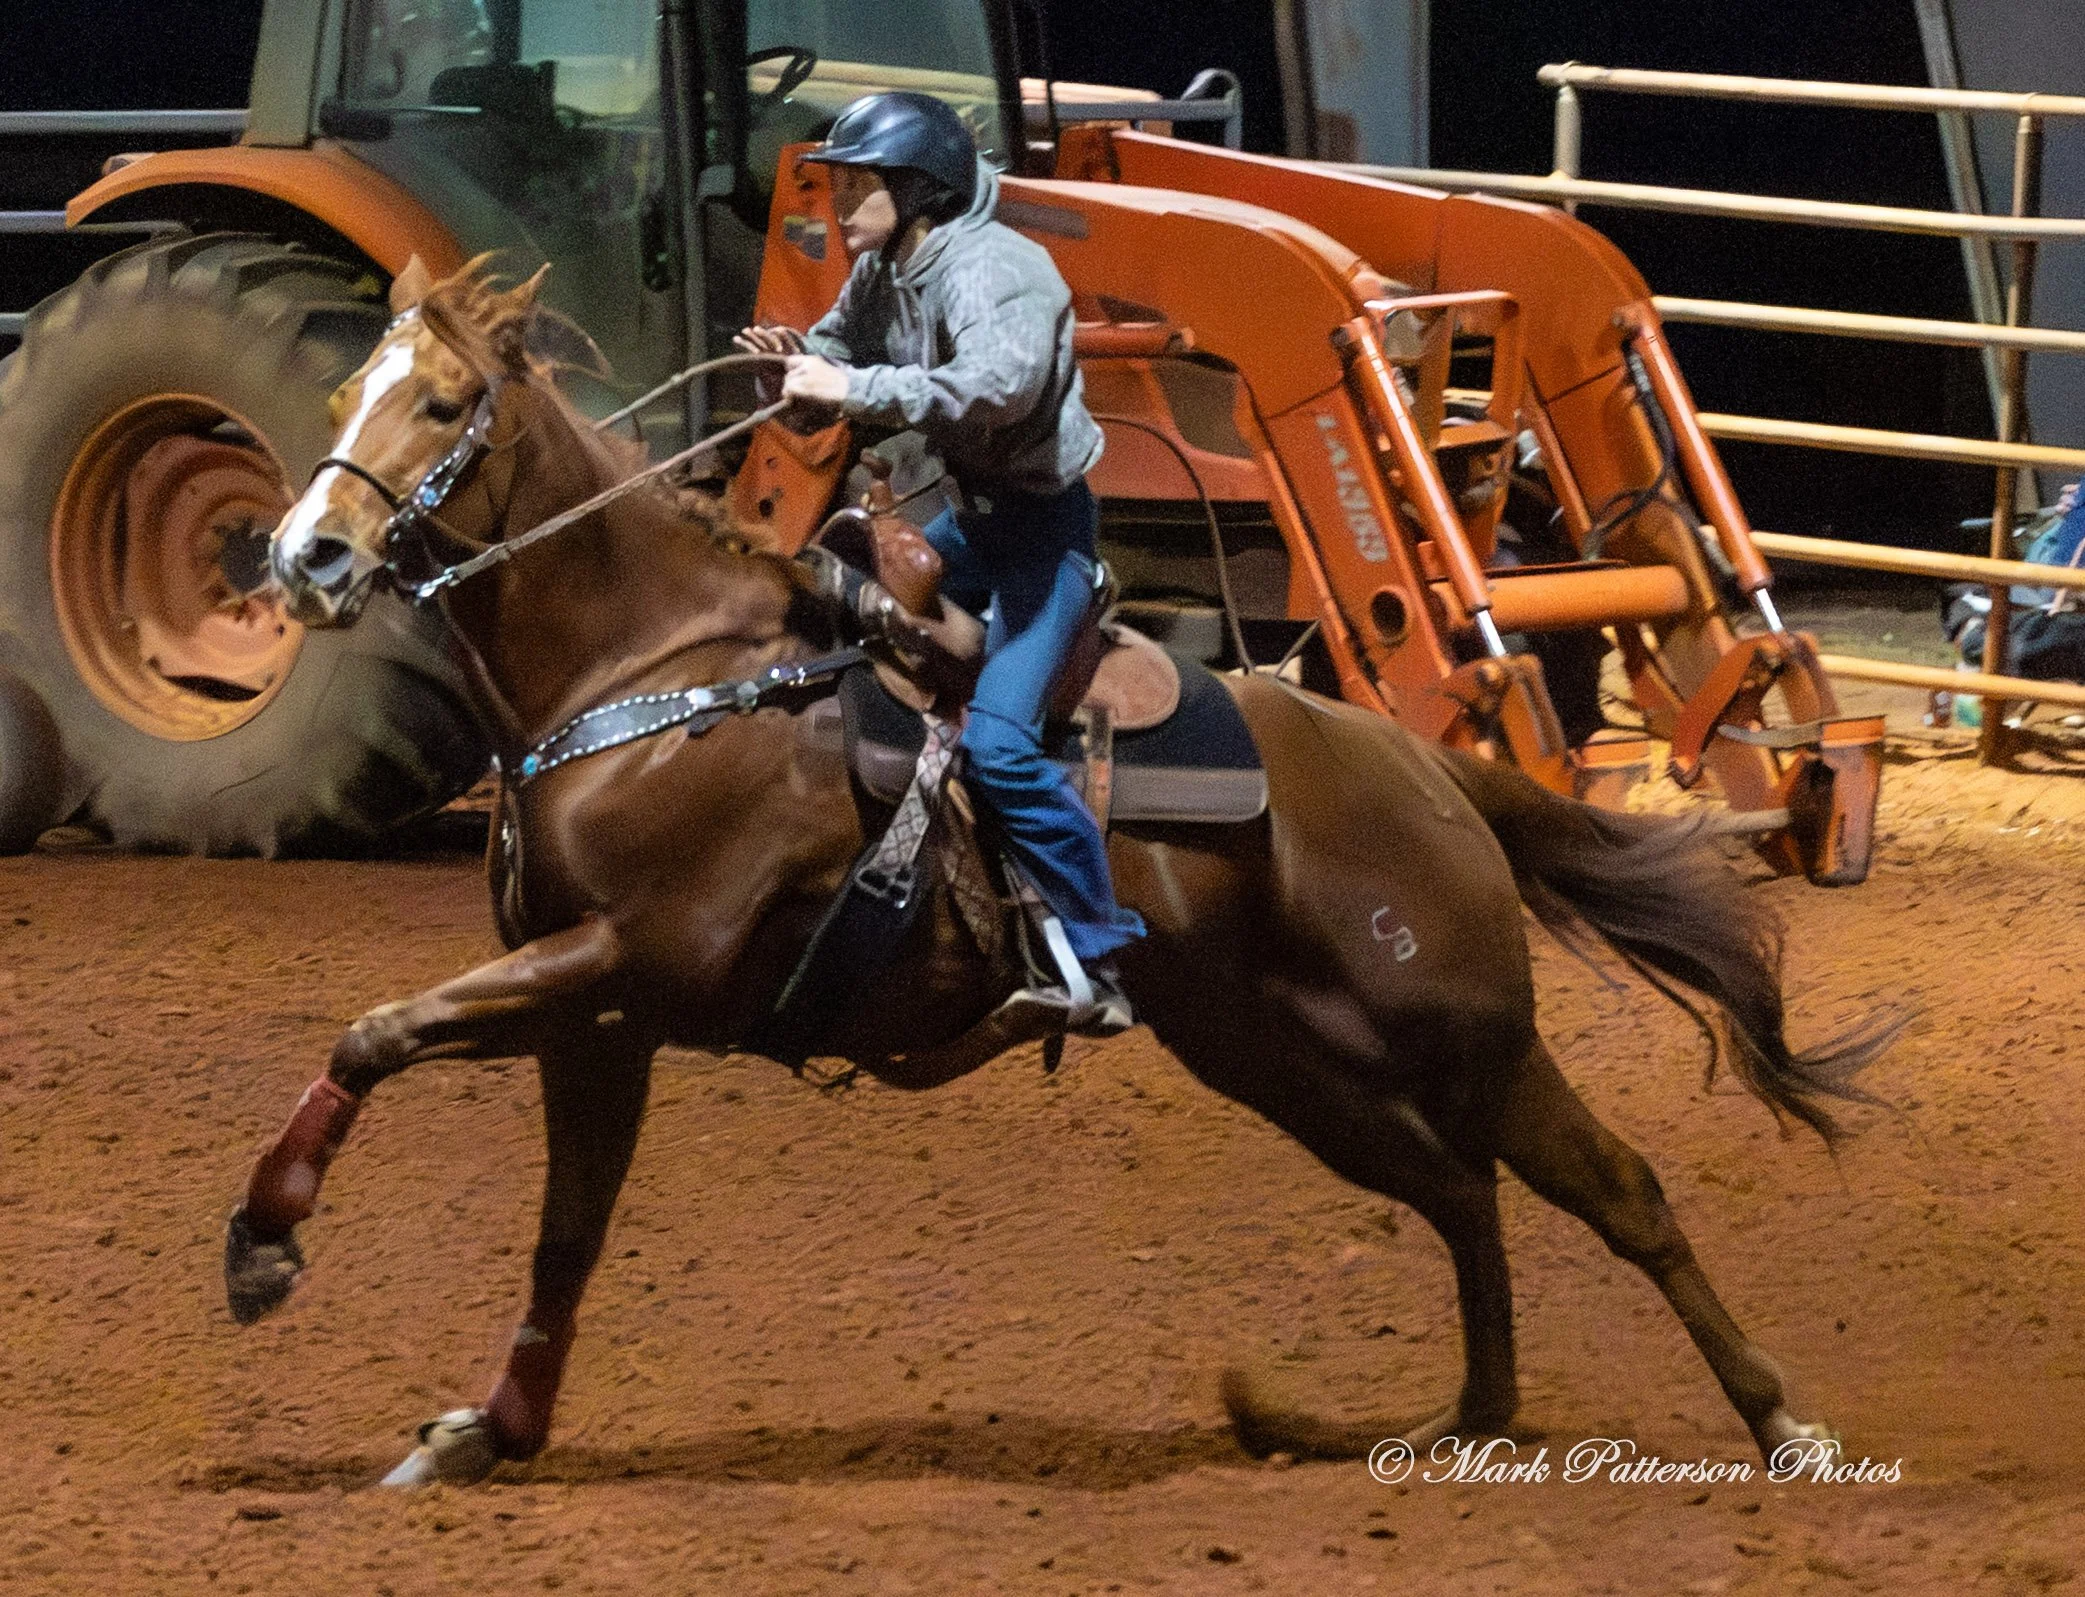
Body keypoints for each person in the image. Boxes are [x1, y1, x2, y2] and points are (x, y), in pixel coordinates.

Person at [735, 91, 1144, 1036]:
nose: (840, 205)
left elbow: (997, 388)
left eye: (858, 185)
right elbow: (835, 359)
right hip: (970, 520)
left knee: (1001, 750)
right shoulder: (887, 267)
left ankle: (1101, 948)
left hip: (1043, 537)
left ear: (917, 189)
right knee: (822, 597)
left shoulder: (1000, 268)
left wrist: (850, 383)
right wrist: (791, 371)